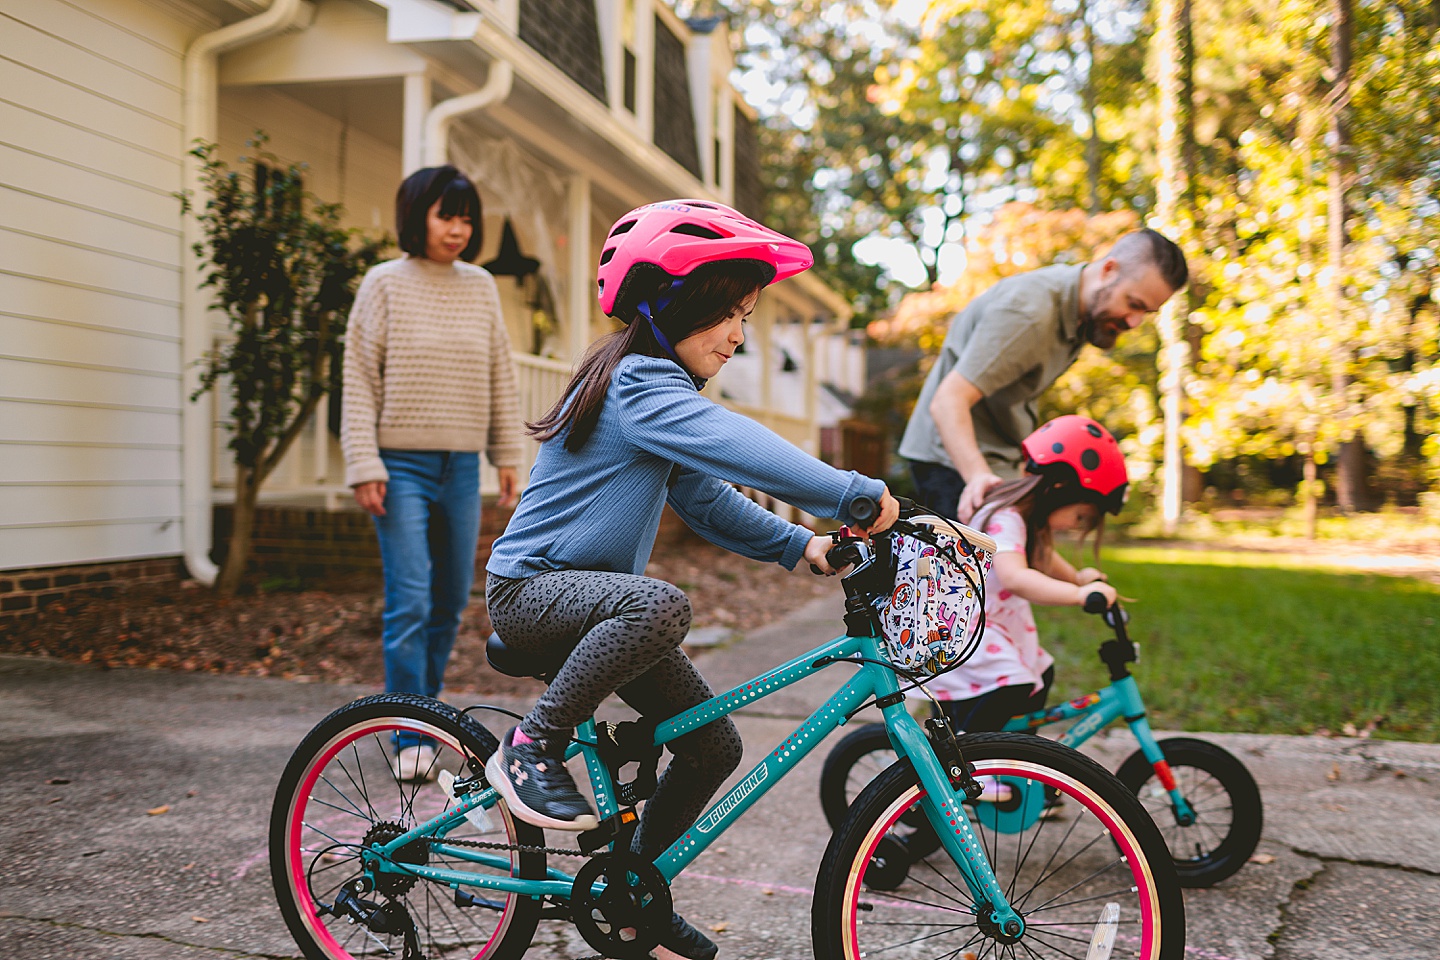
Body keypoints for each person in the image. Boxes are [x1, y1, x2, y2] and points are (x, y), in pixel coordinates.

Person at [483, 199, 900, 960]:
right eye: (730, 315)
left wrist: (801, 547)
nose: (740, 336)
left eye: (747, 317)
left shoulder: (656, 395)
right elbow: (734, 443)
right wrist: (849, 494)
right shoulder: (641, 383)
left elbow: (706, 497)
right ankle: (531, 746)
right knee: (662, 604)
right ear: (680, 303)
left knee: (712, 746)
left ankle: (629, 894)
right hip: (531, 592)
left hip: (596, 610)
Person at [341, 165, 523, 782]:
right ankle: (404, 733)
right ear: (417, 216)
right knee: (412, 597)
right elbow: (359, 378)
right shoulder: (383, 284)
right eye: (448, 215)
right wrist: (364, 463)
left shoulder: (479, 286)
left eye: (467, 218)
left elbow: (500, 372)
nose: (459, 229)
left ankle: (425, 715)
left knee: (449, 601)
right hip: (400, 468)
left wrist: (506, 456)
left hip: (461, 467)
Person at [899, 229, 1187, 521]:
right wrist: (977, 477)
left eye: (1146, 313)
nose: (1134, 322)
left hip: (996, 459)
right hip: (955, 462)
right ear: (1109, 270)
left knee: (1023, 555)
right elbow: (948, 400)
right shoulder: (1030, 313)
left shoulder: (1079, 317)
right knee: (984, 565)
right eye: (1134, 304)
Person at [923, 414, 1127, 801]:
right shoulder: (1007, 517)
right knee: (1014, 682)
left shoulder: (1026, 519)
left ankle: (1019, 764)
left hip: (993, 623)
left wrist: (1079, 579)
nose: (1076, 524)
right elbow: (1015, 576)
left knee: (1040, 672)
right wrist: (1078, 596)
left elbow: (1044, 558)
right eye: (1081, 515)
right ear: (1060, 487)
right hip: (965, 628)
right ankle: (961, 764)